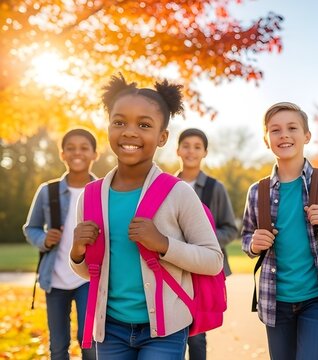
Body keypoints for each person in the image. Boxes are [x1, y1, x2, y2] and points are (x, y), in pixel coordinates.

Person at [69, 74, 223, 359]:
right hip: (110, 329)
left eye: (144, 125)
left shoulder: (178, 192)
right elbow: (89, 271)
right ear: (108, 128)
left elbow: (214, 260)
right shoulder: (90, 196)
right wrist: (77, 252)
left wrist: (163, 244)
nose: (129, 132)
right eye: (119, 122)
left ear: (162, 137)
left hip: (164, 331)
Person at [241, 101, 318, 360]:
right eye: (275, 130)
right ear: (266, 140)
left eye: (292, 128)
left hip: (317, 298)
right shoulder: (258, 192)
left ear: (306, 136)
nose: (284, 134)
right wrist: (253, 244)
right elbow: (246, 238)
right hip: (274, 300)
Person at [23, 128, 98, 360]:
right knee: (57, 347)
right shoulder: (48, 191)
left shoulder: (102, 191)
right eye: (71, 148)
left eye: (84, 148)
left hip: (88, 278)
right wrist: (44, 239)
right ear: (62, 154)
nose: (78, 153)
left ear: (95, 154)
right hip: (55, 279)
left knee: (90, 344)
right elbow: (31, 228)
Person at [176, 128, 238, 360]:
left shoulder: (215, 188)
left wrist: (204, 243)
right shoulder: (165, 185)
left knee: (196, 334)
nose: (191, 151)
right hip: (172, 267)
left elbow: (230, 228)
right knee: (172, 331)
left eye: (197, 146)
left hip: (202, 270)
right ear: (177, 150)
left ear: (205, 152)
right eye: (186, 145)